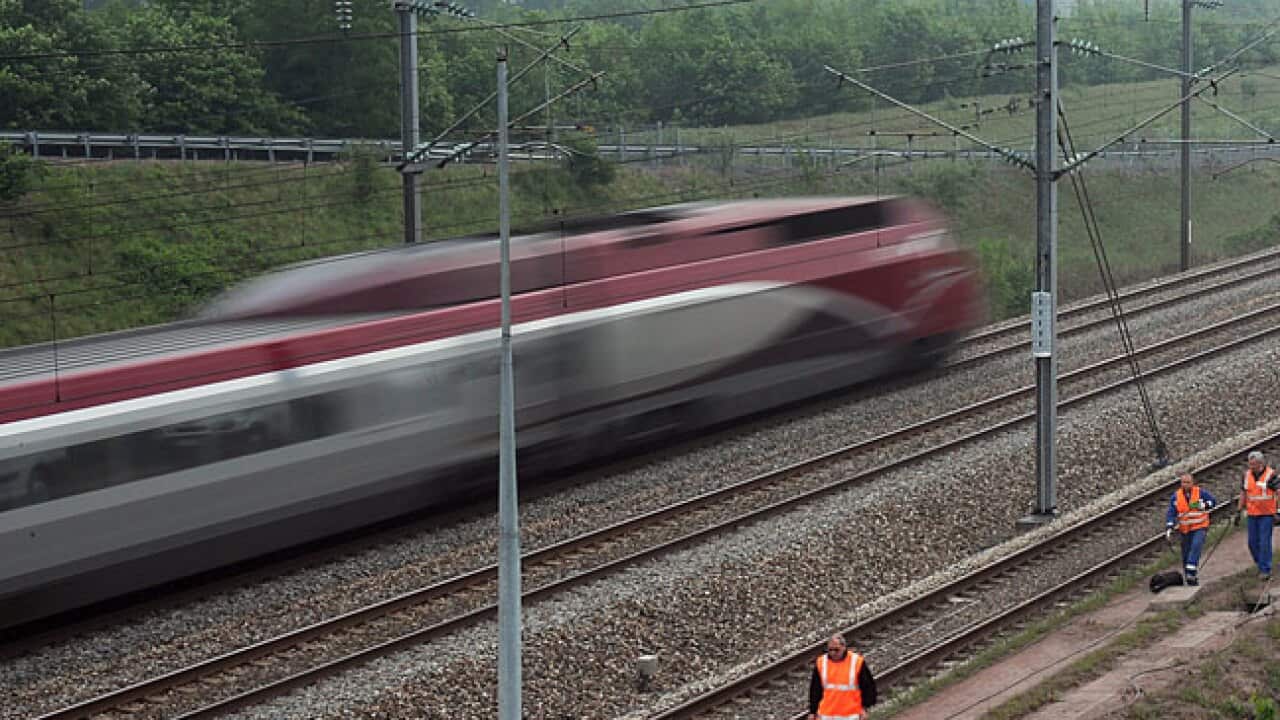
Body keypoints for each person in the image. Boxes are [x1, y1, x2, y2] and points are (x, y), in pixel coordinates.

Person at [808, 634, 877, 720]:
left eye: (836, 650)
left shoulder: (856, 662)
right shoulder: (821, 662)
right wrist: (813, 711)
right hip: (827, 715)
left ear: (844, 647)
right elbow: (815, 689)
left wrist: (865, 707)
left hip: (851, 715)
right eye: (830, 650)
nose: (833, 653)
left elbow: (868, 687)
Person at [1165, 473, 1216, 586]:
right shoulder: (1176, 497)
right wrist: (1169, 525)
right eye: (1183, 482)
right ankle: (1189, 576)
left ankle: (1191, 571)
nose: (1185, 485)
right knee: (1186, 553)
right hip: (1185, 530)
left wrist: (1204, 505)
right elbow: (1171, 513)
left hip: (1200, 527)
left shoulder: (1200, 493)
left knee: (1196, 546)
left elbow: (1213, 501)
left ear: (1192, 483)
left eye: (1188, 482)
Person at [1237, 450, 1278, 580]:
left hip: (1267, 513)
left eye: (1254, 464)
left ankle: (1265, 569)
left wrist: (1278, 510)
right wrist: (1239, 511)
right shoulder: (1246, 476)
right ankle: (1260, 563)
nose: (1252, 466)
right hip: (1252, 514)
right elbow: (1243, 493)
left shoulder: (1271, 475)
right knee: (1252, 543)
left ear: (1261, 463)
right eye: (1250, 464)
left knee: (1264, 542)